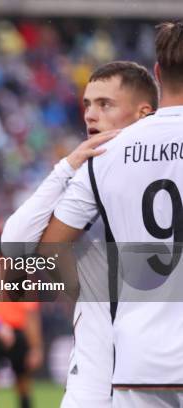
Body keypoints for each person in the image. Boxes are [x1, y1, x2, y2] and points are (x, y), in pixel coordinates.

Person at [41, 21, 183, 408]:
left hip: (139, 358)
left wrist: (91, 294)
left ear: (157, 74)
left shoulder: (107, 151)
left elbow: (49, 248)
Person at [1, 60, 158, 407]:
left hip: (153, 367)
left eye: (105, 104)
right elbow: (14, 244)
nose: (90, 115)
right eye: (87, 104)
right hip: (93, 375)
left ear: (143, 113)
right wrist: (66, 166)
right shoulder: (84, 175)